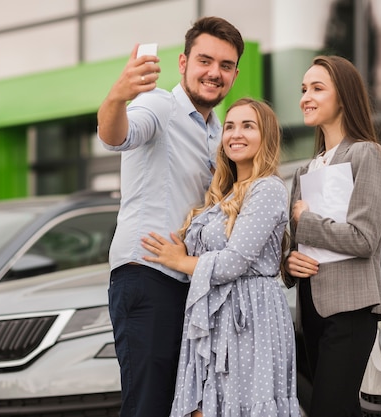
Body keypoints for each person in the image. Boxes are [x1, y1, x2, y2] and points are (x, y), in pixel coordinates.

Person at [96, 17, 244, 417]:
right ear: (182, 63)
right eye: (205, 60)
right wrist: (117, 97)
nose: (214, 72)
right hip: (148, 275)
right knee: (149, 405)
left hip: (191, 283)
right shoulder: (159, 103)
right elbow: (116, 137)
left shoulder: (220, 132)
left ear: (234, 73)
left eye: (226, 65)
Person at [142, 98, 301, 417]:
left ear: (266, 137)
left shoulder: (267, 188)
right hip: (215, 313)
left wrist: (178, 261)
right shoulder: (223, 194)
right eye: (229, 126)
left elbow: (233, 262)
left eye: (248, 126)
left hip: (251, 315)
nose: (235, 134)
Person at [283, 55, 381, 417]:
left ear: (343, 97)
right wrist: (289, 262)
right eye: (303, 89)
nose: (305, 97)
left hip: (350, 311)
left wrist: (308, 220)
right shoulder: (305, 169)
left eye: (317, 88)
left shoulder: (366, 154)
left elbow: (365, 239)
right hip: (311, 310)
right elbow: (289, 246)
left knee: (329, 410)